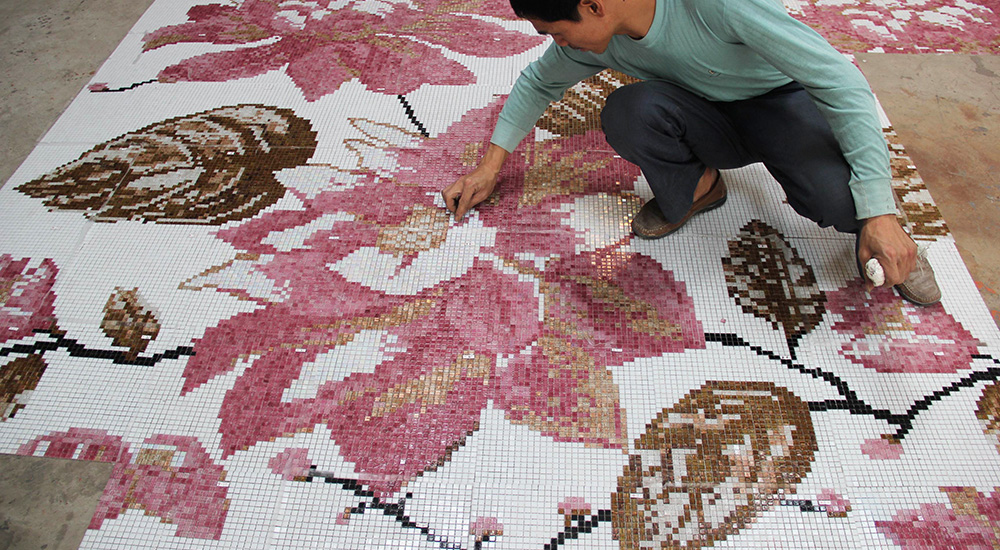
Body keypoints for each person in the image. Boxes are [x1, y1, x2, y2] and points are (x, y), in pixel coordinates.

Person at [440, 0, 941, 306]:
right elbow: (537, 83)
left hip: (782, 102)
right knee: (628, 111)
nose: (552, 42)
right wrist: (490, 167)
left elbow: (841, 80)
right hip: (704, 113)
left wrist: (878, 208)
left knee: (841, 200)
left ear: (593, 6)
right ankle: (701, 188)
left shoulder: (718, 3)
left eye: (553, 30)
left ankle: (892, 236)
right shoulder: (595, 40)